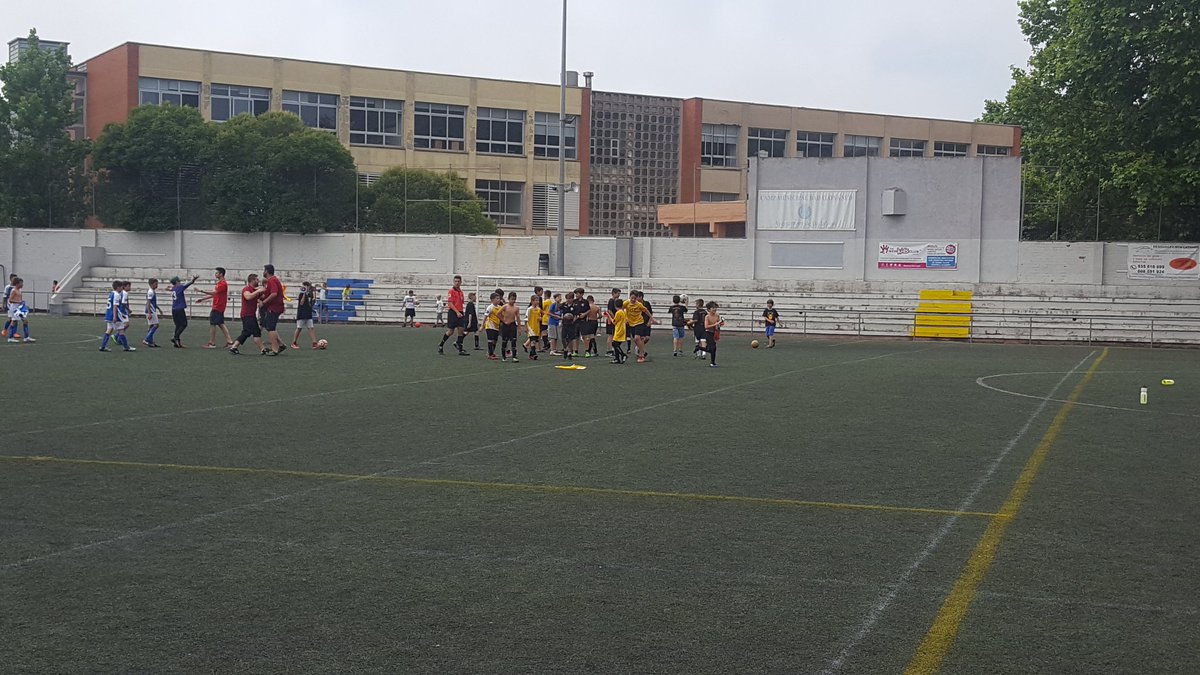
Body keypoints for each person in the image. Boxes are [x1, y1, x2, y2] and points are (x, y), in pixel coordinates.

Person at [230, 273, 267, 355]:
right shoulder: (247, 289)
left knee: (247, 332)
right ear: (252, 280)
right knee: (255, 332)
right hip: (247, 314)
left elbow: (263, 297)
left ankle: (234, 347)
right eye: (257, 280)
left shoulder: (254, 290)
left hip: (250, 314)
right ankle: (263, 349)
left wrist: (266, 290)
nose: (258, 281)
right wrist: (258, 291)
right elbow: (248, 297)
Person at [198, 267, 233, 349]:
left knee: (213, 324)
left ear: (221, 274)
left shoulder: (222, 284)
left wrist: (201, 291)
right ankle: (229, 341)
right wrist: (203, 298)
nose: (215, 274)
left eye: (217, 273)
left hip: (218, 306)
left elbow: (214, 292)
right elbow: (215, 294)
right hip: (218, 306)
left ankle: (212, 343)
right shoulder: (220, 283)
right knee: (221, 324)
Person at [437, 275, 470, 356]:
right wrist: (456, 312)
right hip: (453, 312)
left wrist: (461, 312)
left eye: (458, 281)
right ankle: (441, 345)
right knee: (450, 331)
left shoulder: (461, 292)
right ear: (453, 282)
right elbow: (450, 303)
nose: (457, 283)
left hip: (460, 312)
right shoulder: (451, 291)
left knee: (461, 330)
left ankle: (460, 349)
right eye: (455, 281)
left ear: (461, 282)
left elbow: (460, 303)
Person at [259, 264, 287, 355]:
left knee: (271, 327)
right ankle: (281, 344)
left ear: (266, 271)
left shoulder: (272, 280)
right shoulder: (273, 280)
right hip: (275, 307)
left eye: (264, 270)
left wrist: (264, 302)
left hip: (274, 307)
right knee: (268, 326)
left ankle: (275, 349)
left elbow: (274, 294)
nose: (263, 272)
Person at [169, 274, 200, 348]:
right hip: (179, 309)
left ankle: (177, 342)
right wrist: (193, 280)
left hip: (174, 309)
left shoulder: (173, 288)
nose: (180, 282)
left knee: (178, 325)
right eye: (179, 281)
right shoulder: (179, 287)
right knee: (184, 324)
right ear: (177, 282)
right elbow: (188, 284)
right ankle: (175, 337)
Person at [623, 290, 651, 363]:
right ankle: (642, 352)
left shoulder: (639, 304)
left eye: (635, 298)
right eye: (632, 298)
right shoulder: (626, 303)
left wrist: (651, 319)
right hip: (631, 324)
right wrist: (625, 318)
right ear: (630, 297)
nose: (633, 300)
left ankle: (641, 356)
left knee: (637, 338)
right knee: (636, 340)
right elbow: (622, 309)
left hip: (639, 322)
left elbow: (646, 311)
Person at [5, 277, 34, 343]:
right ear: (17, 283)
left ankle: (26, 337)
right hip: (14, 308)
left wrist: (22, 304)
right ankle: (10, 338)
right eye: (21, 283)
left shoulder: (19, 290)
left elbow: (19, 300)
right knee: (14, 322)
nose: (22, 284)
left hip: (19, 308)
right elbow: (10, 300)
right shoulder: (13, 290)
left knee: (25, 321)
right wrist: (18, 302)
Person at [291, 281, 319, 349]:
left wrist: (314, 294)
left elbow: (312, 302)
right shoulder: (301, 294)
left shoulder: (310, 294)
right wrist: (304, 294)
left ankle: (314, 343)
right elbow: (301, 302)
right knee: (299, 328)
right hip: (302, 313)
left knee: (311, 328)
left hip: (308, 313)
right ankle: (294, 342)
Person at [498, 292, 520, 362]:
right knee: (505, 341)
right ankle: (504, 357)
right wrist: (503, 320)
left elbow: (518, 317)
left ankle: (514, 356)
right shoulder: (505, 306)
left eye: (514, 299)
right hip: (505, 325)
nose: (513, 301)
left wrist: (519, 328)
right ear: (508, 299)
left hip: (513, 325)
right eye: (512, 299)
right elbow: (498, 314)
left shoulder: (516, 308)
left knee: (513, 341)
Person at [483, 293, 503, 360]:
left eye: (499, 298)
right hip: (489, 326)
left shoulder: (500, 307)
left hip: (496, 327)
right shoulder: (490, 307)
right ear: (492, 300)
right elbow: (485, 316)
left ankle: (490, 352)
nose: (498, 300)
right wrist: (482, 325)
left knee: (495, 340)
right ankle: (490, 354)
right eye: (497, 299)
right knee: (490, 340)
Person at [143, 278, 162, 347]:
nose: (157, 285)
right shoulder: (150, 292)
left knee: (151, 326)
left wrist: (158, 308)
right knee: (156, 325)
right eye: (155, 284)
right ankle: (147, 339)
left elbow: (152, 302)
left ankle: (150, 341)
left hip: (151, 309)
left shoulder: (152, 291)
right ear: (151, 284)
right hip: (151, 310)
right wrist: (150, 313)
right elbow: (148, 302)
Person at [703, 301, 722, 367]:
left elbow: (719, 324)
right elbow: (706, 326)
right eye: (713, 307)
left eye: (715, 307)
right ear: (709, 309)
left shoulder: (717, 315)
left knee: (711, 349)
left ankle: (699, 347)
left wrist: (720, 324)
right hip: (708, 333)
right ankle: (712, 363)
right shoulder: (707, 317)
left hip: (714, 333)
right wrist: (715, 324)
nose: (715, 309)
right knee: (713, 347)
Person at [522, 294, 541, 359]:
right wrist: (526, 327)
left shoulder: (538, 309)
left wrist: (540, 318)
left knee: (534, 339)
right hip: (531, 326)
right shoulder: (529, 309)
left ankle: (529, 353)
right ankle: (534, 354)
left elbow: (539, 317)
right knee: (533, 340)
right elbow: (526, 319)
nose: (537, 302)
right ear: (532, 301)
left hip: (536, 327)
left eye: (538, 300)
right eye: (536, 300)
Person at [605, 287, 622, 356]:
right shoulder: (611, 301)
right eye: (618, 293)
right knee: (610, 335)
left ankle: (612, 349)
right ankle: (609, 350)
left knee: (613, 335)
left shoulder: (615, 301)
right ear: (613, 293)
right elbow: (609, 311)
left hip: (613, 320)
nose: (619, 295)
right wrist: (614, 318)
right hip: (611, 320)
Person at [2, 273, 16, 338]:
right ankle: (4, 329)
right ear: (10, 279)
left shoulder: (17, 287)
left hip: (16, 305)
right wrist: (3, 305)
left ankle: (14, 333)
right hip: (9, 305)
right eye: (14, 278)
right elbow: (4, 297)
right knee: (10, 319)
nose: (15, 280)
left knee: (15, 319)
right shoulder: (7, 287)